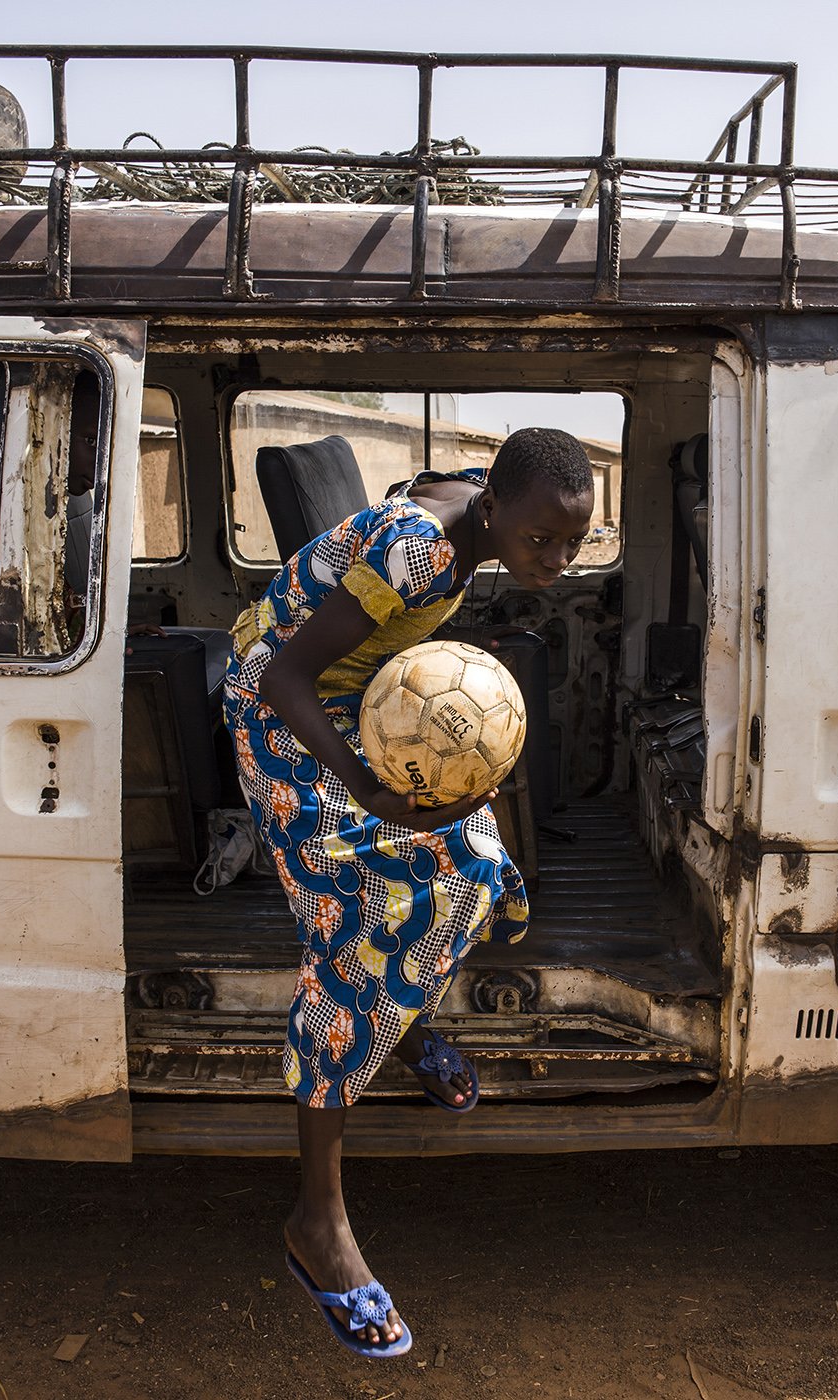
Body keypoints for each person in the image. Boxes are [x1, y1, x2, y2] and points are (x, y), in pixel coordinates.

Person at [222, 426, 595, 1358]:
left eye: (572, 545)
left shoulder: (472, 494)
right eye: (539, 539)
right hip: (284, 718)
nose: (552, 562)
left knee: (467, 869)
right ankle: (319, 1223)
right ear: (497, 507)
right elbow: (280, 672)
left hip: (342, 696)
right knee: (354, 942)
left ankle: (409, 1018)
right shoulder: (421, 555)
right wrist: (363, 785)